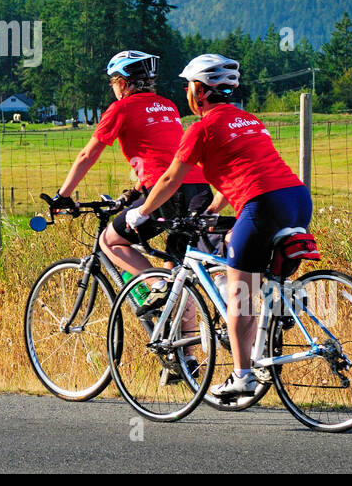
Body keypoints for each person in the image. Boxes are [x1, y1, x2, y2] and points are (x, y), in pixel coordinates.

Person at [124, 54, 312, 399]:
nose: (186, 92)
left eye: (188, 86)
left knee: (240, 293)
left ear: (200, 91)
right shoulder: (248, 120)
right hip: (297, 199)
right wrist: (212, 208)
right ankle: (282, 303)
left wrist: (142, 213)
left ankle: (243, 376)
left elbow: (169, 178)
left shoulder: (203, 127)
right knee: (254, 270)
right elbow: (242, 170)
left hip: (262, 204)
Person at [52, 50, 212, 376]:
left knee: (112, 241)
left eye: (113, 83)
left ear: (122, 83)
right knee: (178, 271)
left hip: (164, 191)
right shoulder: (167, 105)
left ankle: (155, 285)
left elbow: (88, 154)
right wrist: (136, 191)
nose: (113, 88)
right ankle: (186, 358)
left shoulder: (120, 108)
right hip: (197, 189)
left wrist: (62, 196)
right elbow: (163, 151)